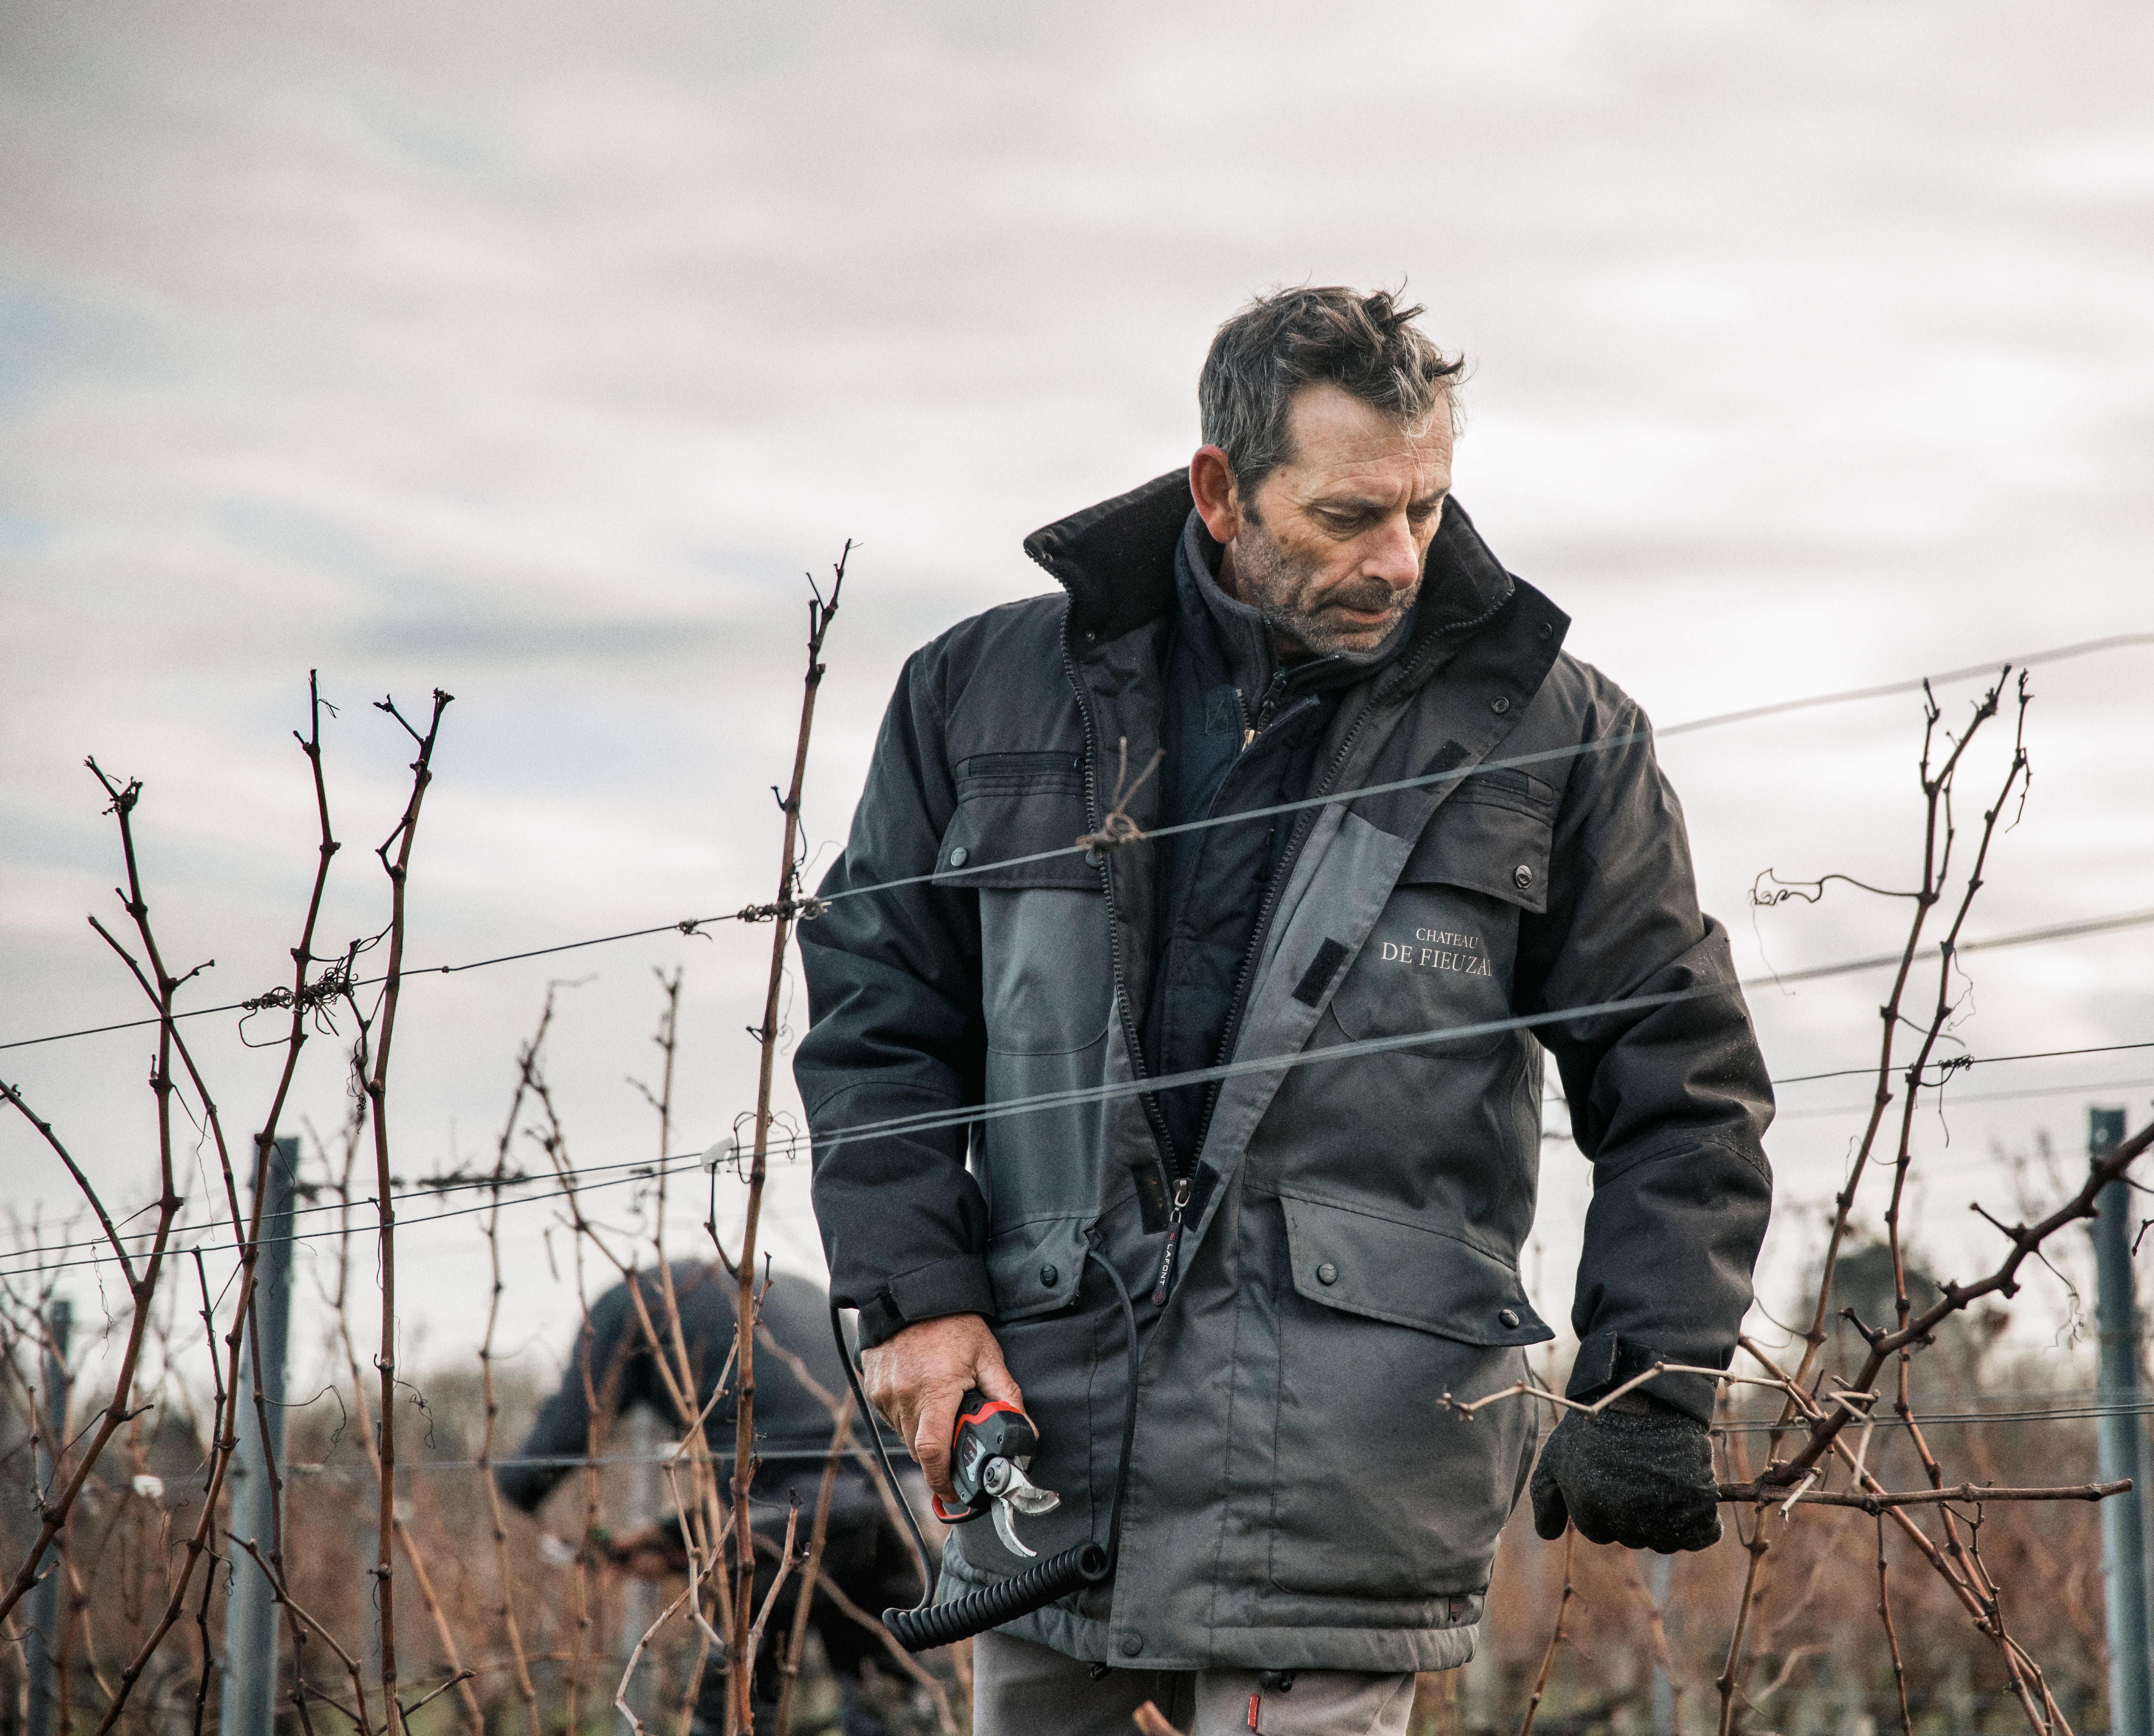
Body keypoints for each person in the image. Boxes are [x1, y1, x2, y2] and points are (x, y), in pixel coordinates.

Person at [797, 286, 1774, 1735]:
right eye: (1346, 516)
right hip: (1040, 1480)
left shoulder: (1557, 736)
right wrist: (918, 1301)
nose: (1397, 558)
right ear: (1218, 494)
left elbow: (1679, 1078)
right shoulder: (977, 695)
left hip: (1345, 1489)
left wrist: (1649, 1373)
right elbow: (878, 1024)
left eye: (1427, 510)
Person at [500, 1263, 928, 1736]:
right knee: (890, 1699)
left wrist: (514, 1490)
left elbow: (564, 1432)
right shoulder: (792, 1288)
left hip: (782, 1523)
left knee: (733, 1709)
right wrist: (666, 1536)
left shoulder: (628, 1305)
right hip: (895, 1498)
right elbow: (800, 1473)